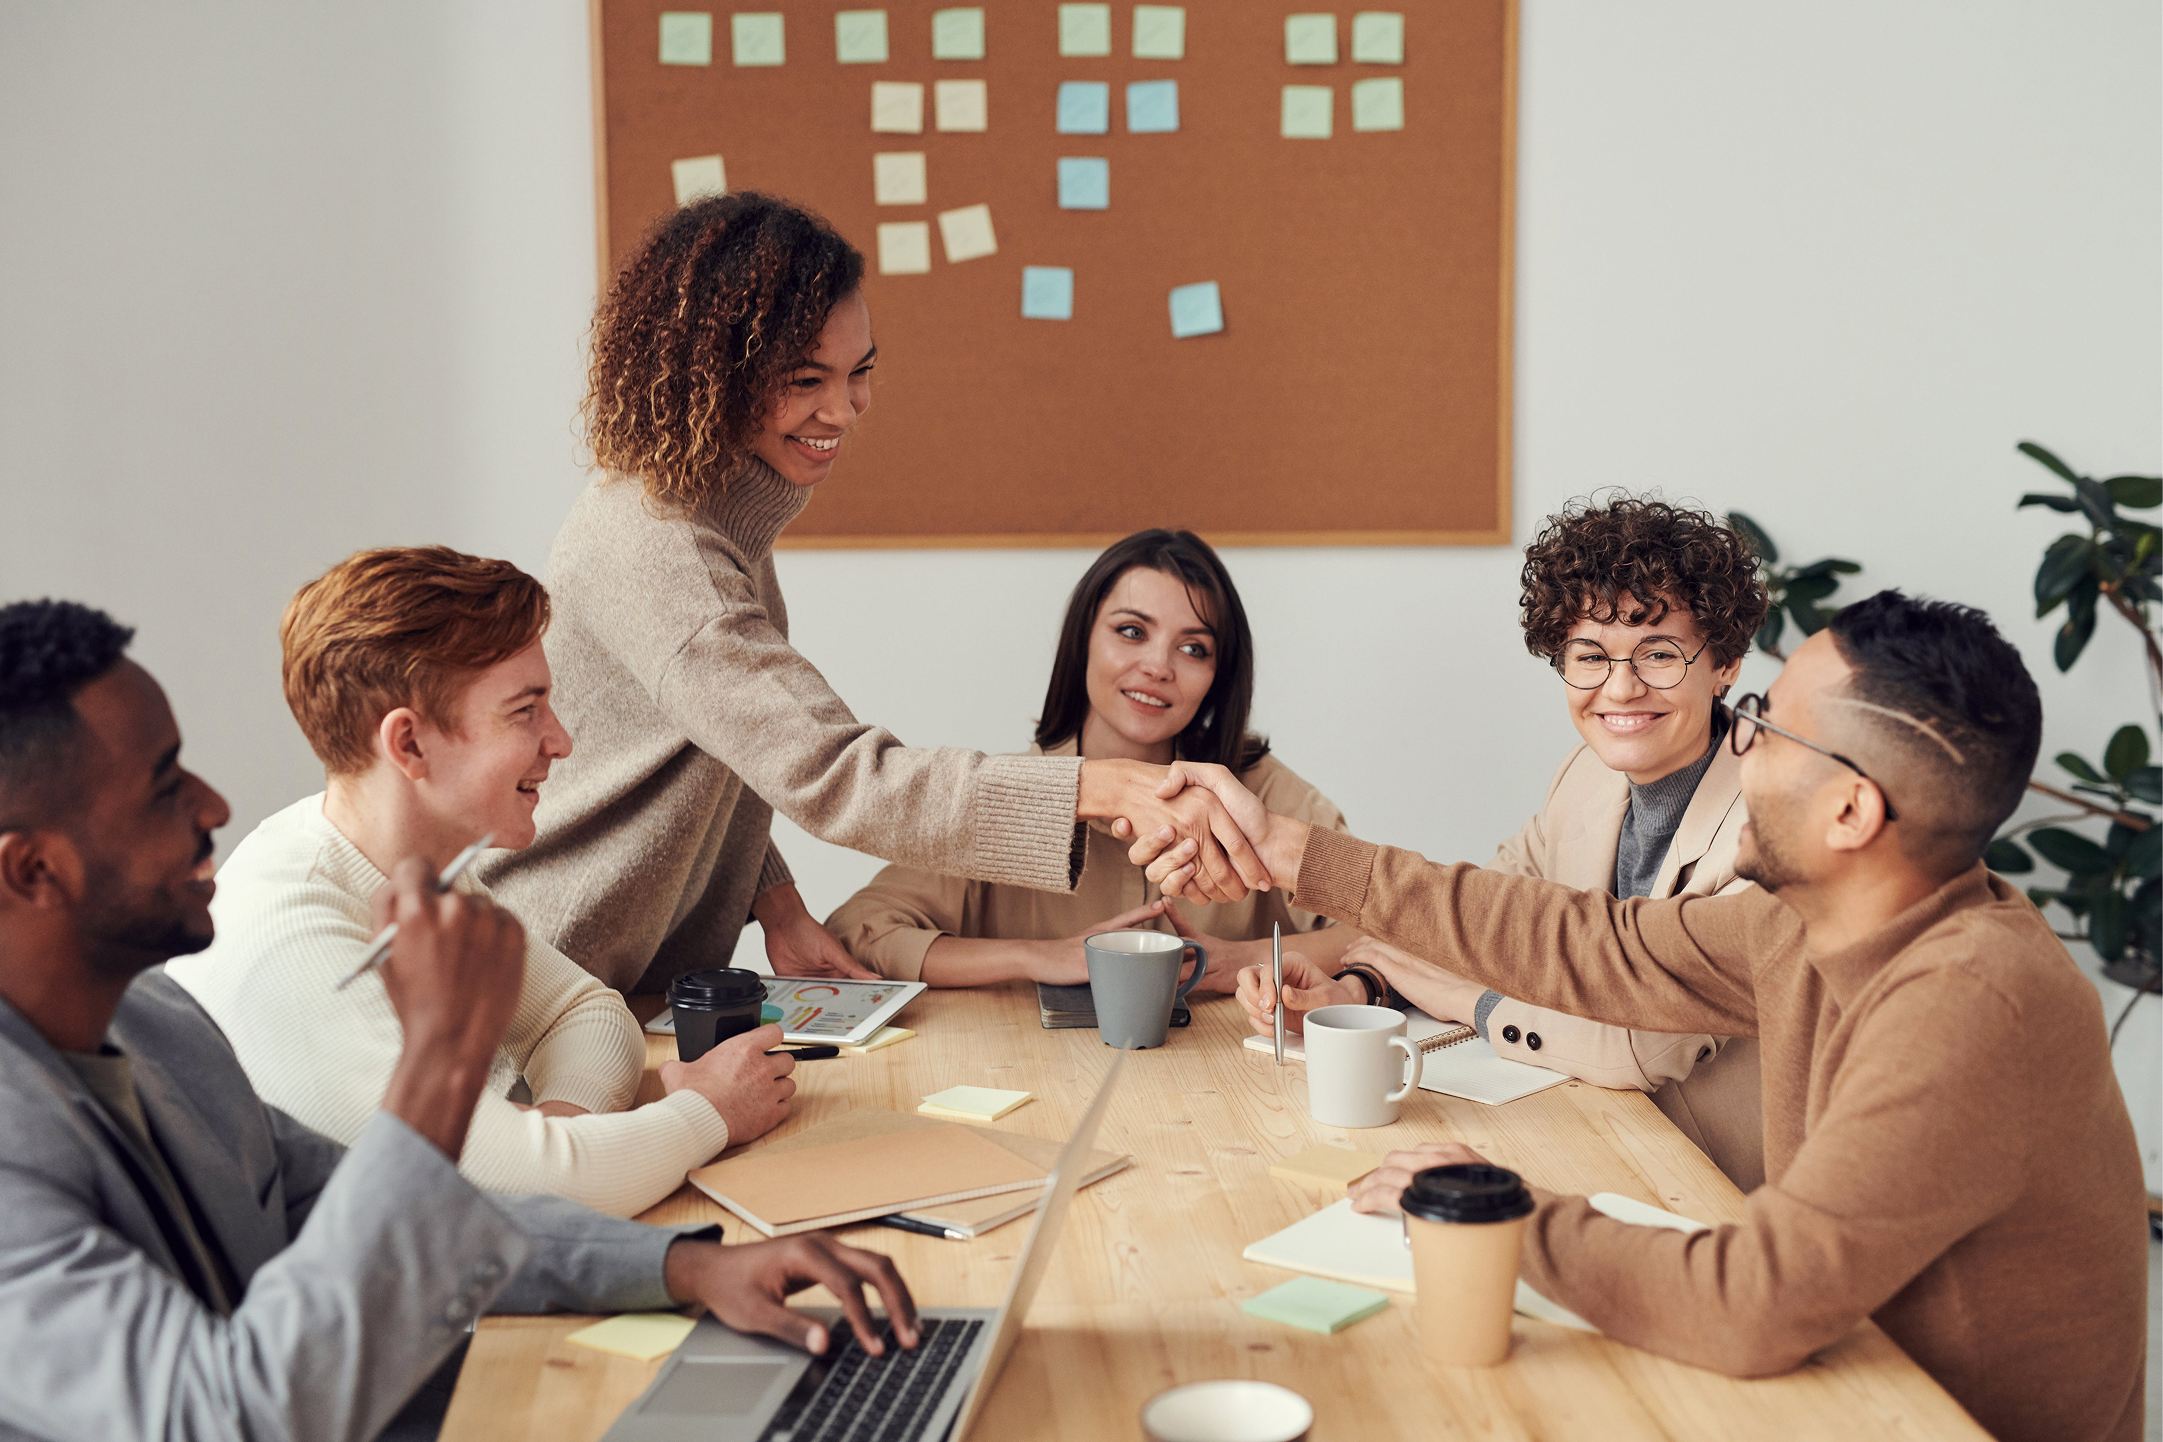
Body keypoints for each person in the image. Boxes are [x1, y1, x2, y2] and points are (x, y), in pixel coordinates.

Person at [1142, 590, 2146, 1442]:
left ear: (1851, 812)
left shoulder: (1972, 1001)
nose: (1735, 741)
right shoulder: (1809, 920)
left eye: (1762, 723)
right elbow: (1593, 943)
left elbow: (1752, 1300)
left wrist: (1505, 1212)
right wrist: (1292, 850)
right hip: (1842, 1379)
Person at [0, 600, 917, 1442]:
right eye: (164, 788)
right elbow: (231, 1418)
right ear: (33, 871)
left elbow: (377, 1212)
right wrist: (441, 1059)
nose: (215, 806)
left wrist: (682, 1269)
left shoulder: (154, 1023)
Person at [478, 191, 1269, 996]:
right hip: (547, 981)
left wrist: (775, 903)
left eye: (860, 372)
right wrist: (1093, 786)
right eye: (804, 379)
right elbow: (838, 774)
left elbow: (721, 747)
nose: (843, 408)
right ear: (712, 378)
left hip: (622, 984)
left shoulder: (710, 515)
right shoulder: (665, 550)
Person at [167, 548, 792, 1217]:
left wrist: (557, 1139)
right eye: (525, 711)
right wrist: (707, 1111)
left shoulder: (411, 864)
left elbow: (586, 1013)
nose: (560, 742)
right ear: (407, 745)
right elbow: (517, 1199)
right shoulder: (294, 940)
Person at [1242, 497, 1771, 1187]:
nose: (1619, 687)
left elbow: (1642, 1047)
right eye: (1589, 656)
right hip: (1595, 1137)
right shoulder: (1584, 775)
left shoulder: (1769, 820)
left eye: (1659, 654)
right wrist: (1360, 985)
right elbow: (1483, 919)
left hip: (1720, 1185)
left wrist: (1468, 1002)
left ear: (1724, 662)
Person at [825, 530, 1357, 989]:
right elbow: (858, 931)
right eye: (1132, 632)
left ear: (1219, 678)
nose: (1157, 666)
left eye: (1193, 648)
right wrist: (1039, 955)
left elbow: (1392, 932)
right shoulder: (1007, 798)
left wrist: (1247, 959)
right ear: (1083, 640)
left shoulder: (1266, 797)